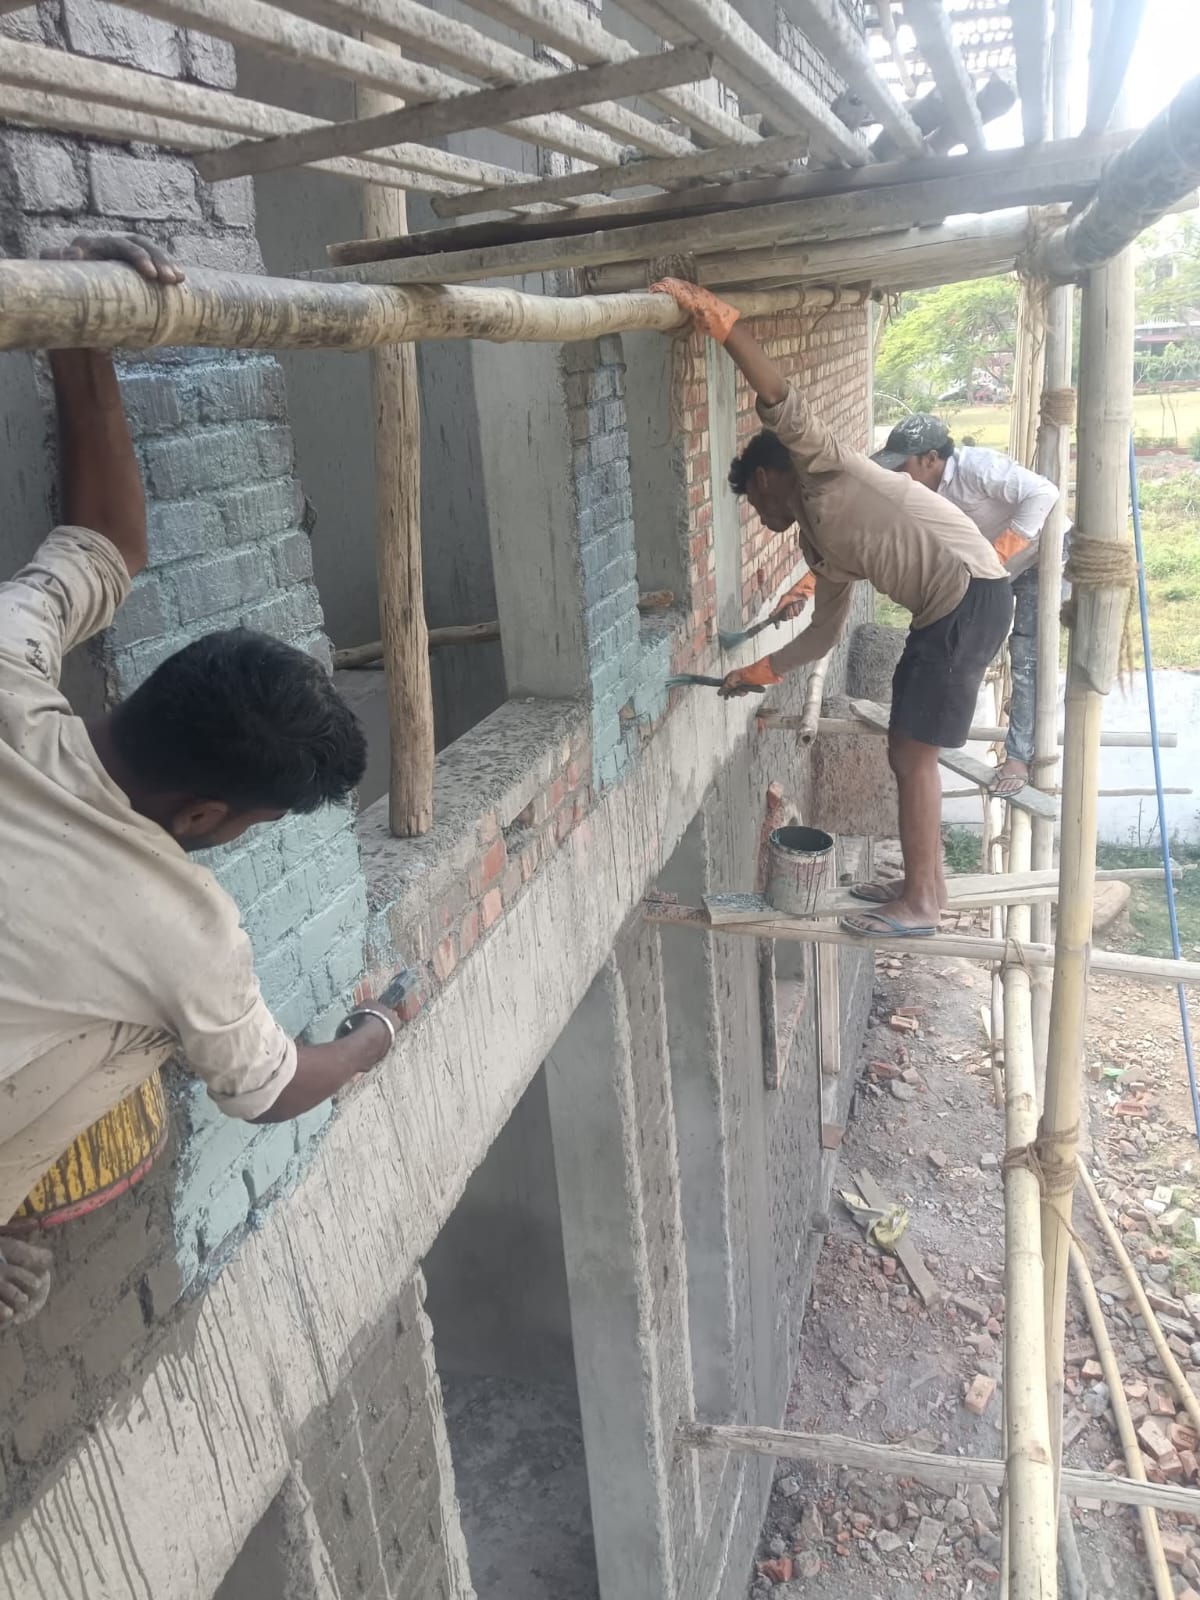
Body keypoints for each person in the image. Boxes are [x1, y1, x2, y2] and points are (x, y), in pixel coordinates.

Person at [0, 235, 400, 1327]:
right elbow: (269, 1090)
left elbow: (101, 545)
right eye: (256, 824)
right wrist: (375, 1038)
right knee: (143, 1039)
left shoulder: (11, 659)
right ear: (206, 815)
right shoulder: (183, 928)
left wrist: (83, 325)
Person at [652, 278, 1013, 941]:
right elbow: (824, 633)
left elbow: (779, 400)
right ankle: (914, 885)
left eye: (756, 507)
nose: (762, 521)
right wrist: (756, 674)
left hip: (966, 599)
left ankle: (923, 904)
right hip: (951, 610)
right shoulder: (822, 541)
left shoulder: (823, 467)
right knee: (908, 752)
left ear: (766, 481)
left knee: (912, 756)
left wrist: (725, 327)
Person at [872, 414, 1061, 796]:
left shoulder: (976, 467)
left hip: (1041, 558)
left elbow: (1044, 493)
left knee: (1026, 656)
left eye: (903, 466)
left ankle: (1019, 757)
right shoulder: (922, 491)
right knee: (965, 644)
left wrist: (999, 552)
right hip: (993, 573)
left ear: (930, 458)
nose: (899, 476)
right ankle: (932, 739)